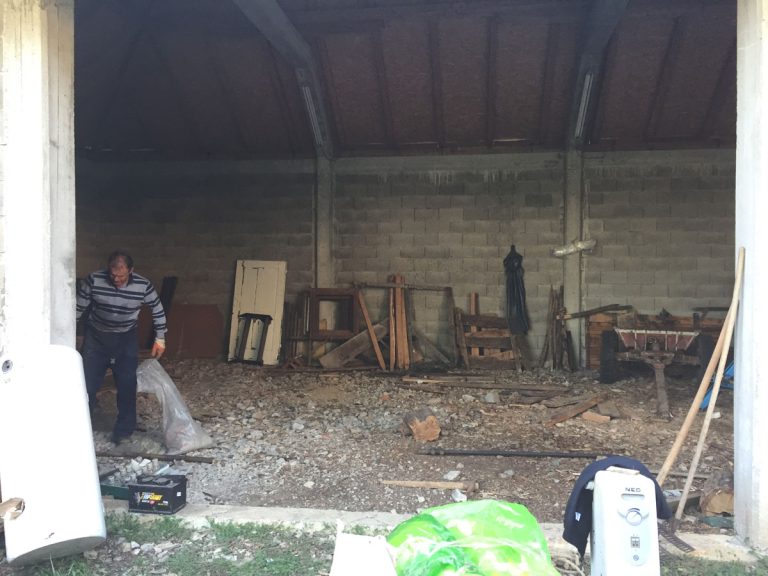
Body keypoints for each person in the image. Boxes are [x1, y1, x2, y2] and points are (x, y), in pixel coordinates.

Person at [76, 250, 167, 444]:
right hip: (97, 337)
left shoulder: (143, 285)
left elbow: (157, 310)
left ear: (131, 271)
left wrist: (160, 338)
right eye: (113, 275)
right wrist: (66, 336)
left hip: (126, 338)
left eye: (121, 275)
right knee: (88, 385)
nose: (116, 279)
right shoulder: (94, 280)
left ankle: (124, 432)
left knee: (126, 385)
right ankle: (81, 429)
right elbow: (77, 309)